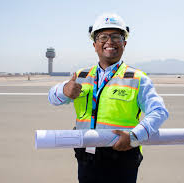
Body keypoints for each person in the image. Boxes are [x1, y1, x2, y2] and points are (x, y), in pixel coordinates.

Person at [48, 13, 169, 183]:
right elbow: (52, 98)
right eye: (103, 37)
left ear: (124, 43)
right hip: (87, 158)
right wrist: (63, 90)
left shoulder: (137, 78)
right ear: (94, 44)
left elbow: (159, 112)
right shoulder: (81, 76)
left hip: (122, 157)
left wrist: (135, 136)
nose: (109, 42)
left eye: (116, 37)